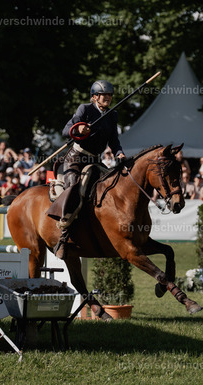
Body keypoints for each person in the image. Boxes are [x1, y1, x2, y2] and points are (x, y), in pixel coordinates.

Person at [47, 79, 126, 259]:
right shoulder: (84, 109)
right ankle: (64, 235)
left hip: (95, 160)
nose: (108, 98)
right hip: (76, 158)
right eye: (104, 95)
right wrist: (78, 129)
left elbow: (114, 141)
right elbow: (66, 131)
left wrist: (119, 153)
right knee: (74, 187)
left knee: (112, 186)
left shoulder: (113, 115)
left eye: (109, 95)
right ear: (95, 97)